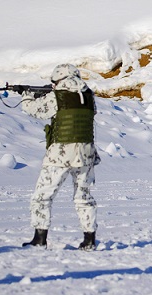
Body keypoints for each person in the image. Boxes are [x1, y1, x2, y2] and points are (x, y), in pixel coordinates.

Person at [20, 64, 100, 250]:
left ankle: (40, 239)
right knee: (84, 197)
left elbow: (34, 110)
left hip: (60, 154)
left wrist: (26, 96)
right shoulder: (89, 96)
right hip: (86, 153)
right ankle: (89, 240)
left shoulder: (57, 96)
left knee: (42, 196)